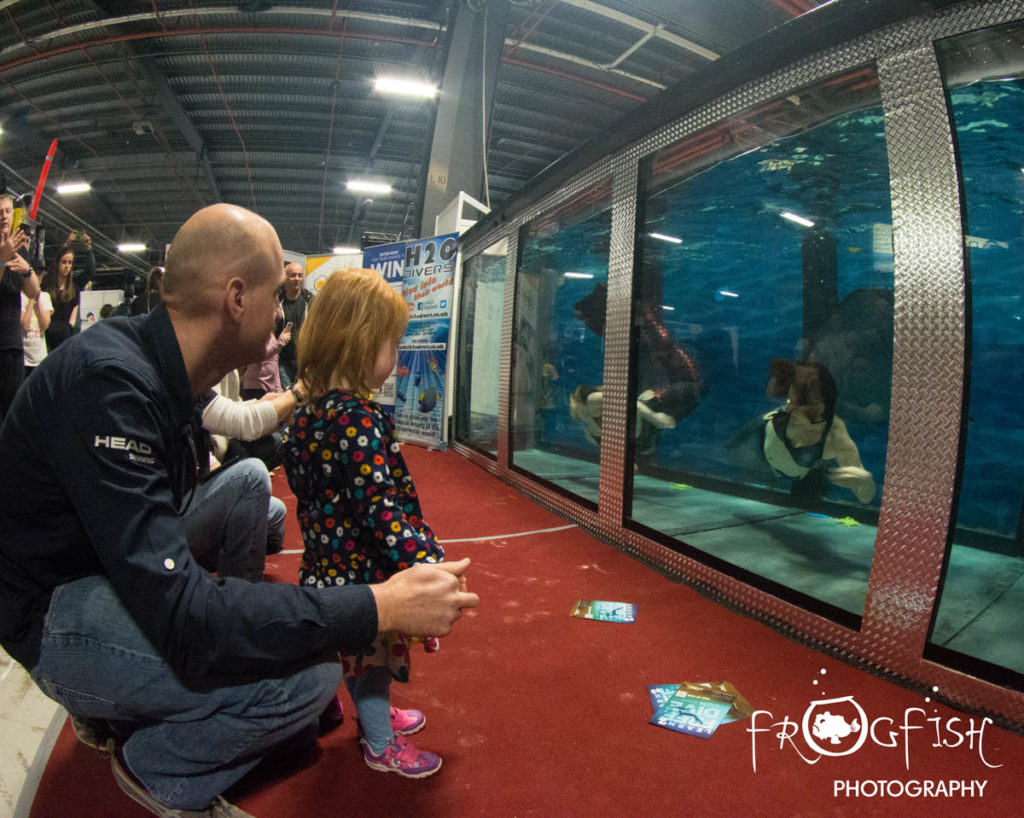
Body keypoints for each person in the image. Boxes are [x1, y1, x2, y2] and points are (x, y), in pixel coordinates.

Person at [0, 204, 478, 817]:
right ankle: (156, 766)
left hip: (104, 577)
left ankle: (116, 706)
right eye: (278, 294)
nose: (284, 312)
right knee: (310, 680)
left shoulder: (161, 371)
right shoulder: (111, 385)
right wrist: (380, 604)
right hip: (55, 613)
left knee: (252, 495)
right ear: (237, 298)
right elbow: (189, 620)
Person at [282, 268, 448, 779]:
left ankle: (370, 714)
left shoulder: (307, 415)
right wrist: (425, 561)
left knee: (356, 656)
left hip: (326, 569)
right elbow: (380, 506)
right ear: (359, 344)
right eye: (391, 345)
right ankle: (380, 741)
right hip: (365, 573)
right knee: (372, 662)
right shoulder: (358, 417)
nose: (396, 359)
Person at [0, 192, 38, 420]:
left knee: (12, 413)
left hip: (13, 345)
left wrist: (27, 270)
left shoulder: (18, 248)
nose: (4, 217)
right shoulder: (6, 252)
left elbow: (34, 291)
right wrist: (2, 258)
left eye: (7, 211)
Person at [44, 236, 95, 351]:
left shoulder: (74, 286)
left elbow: (90, 270)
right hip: (48, 335)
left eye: (70, 263)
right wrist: (67, 242)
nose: (67, 266)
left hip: (66, 335)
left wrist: (88, 248)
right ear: (58, 263)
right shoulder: (47, 284)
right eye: (64, 262)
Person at [241, 304, 290, 399]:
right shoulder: (255, 332)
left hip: (269, 388)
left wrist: (279, 391)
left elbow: (274, 365)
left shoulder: (271, 335)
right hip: (255, 386)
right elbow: (258, 354)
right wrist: (280, 342)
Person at [277, 261, 312, 389]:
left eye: (300, 275)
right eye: (293, 275)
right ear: (284, 278)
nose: (297, 279)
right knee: (287, 395)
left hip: (304, 360)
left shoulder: (310, 300)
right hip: (283, 360)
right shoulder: (277, 302)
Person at [21, 262, 53, 376]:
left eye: (41, 274)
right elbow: (24, 325)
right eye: (36, 273)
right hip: (24, 358)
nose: (39, 277)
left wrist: (38, 300)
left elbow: (45, 325)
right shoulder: (21, 296)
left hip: (40, 357)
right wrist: (31, 298)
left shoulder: (45, 297)